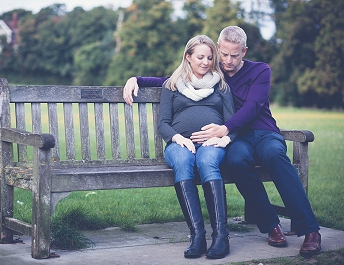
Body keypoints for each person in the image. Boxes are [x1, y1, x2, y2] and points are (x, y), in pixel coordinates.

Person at [123, 26, 322, 257]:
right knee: (236, 162)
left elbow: (253, 106)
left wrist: (224, 129)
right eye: (224, 54)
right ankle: (271, 226)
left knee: (276, 157)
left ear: (244, 52)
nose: (228, 60)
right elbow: (172, 79)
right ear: (218, 48)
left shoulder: (260, 71)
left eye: (234, 55)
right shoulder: (215, 72)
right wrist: (136, 79)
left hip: (263, 133)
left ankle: (310, 231)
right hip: (237, 140)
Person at [156, 35, 234, 259]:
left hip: (212, 143)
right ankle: (197, 235)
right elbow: (163, 123)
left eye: (210, 58)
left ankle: (221, 236)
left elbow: (232, 123)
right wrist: (177, 138)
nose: (205, 62)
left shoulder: (221, 86)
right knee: (182, 161)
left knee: (207, 161)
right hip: (180, 142)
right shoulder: (172, 85)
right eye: (200, 57)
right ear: (188, 57)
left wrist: (223, 139)